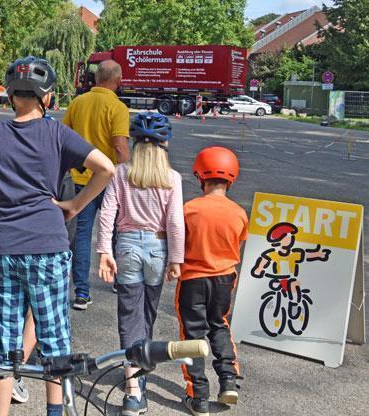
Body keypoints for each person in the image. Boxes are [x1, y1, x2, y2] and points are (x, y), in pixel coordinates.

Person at [0, 56, 115, 416]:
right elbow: (107, 168)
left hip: (3, 248)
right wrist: (76, 205)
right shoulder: (57, 133)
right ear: (46, 96)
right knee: (54, 336)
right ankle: (54, 412)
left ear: (10, 94)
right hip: (48, 246)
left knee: (1, 340)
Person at [97, 112, 184, 415]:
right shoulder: (172, 178)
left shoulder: (121, 173)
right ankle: (139, 371)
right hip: (158, 249)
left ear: (134, 143)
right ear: (165, 145)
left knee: (129, 315)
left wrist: (103, 251)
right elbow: (175, 222)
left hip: (127, 247)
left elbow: (107, 214)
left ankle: (133, 390)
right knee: (146, 314)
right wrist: (176, 258)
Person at [175, 146, 247, 416]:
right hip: (224, 279)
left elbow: (179, 243)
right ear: (232, 178)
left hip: (193, 279)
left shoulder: (190, 209)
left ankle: (199, 395)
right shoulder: (239, 212)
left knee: (191, 334)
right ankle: (228, 380)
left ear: (200, 175)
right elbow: (238, 243)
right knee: (220, 325)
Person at [63, 59, 130, 310]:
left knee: (82, 235)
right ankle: (118, 280)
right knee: (117, 231)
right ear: (118, 80)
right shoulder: (117, 107)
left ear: (95, 79)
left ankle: (81, 292)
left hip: (81, 180)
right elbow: (120, 147)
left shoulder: (77, 103)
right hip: (109, 182)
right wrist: (128, 179)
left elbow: (64, 138)